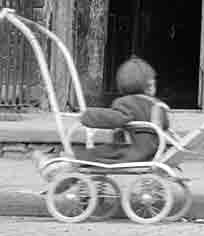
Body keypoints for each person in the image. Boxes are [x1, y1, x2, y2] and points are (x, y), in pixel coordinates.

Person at [34, 57, 170, 170]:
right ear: (149, 86)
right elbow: (164, 125)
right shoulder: (157, 104)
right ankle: (59, 161)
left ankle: (59, 164)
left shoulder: (127, 102)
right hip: (154, 152)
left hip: (135, 153)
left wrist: (88, 116)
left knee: (97, 153)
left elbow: (115, 119)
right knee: (106, 150)